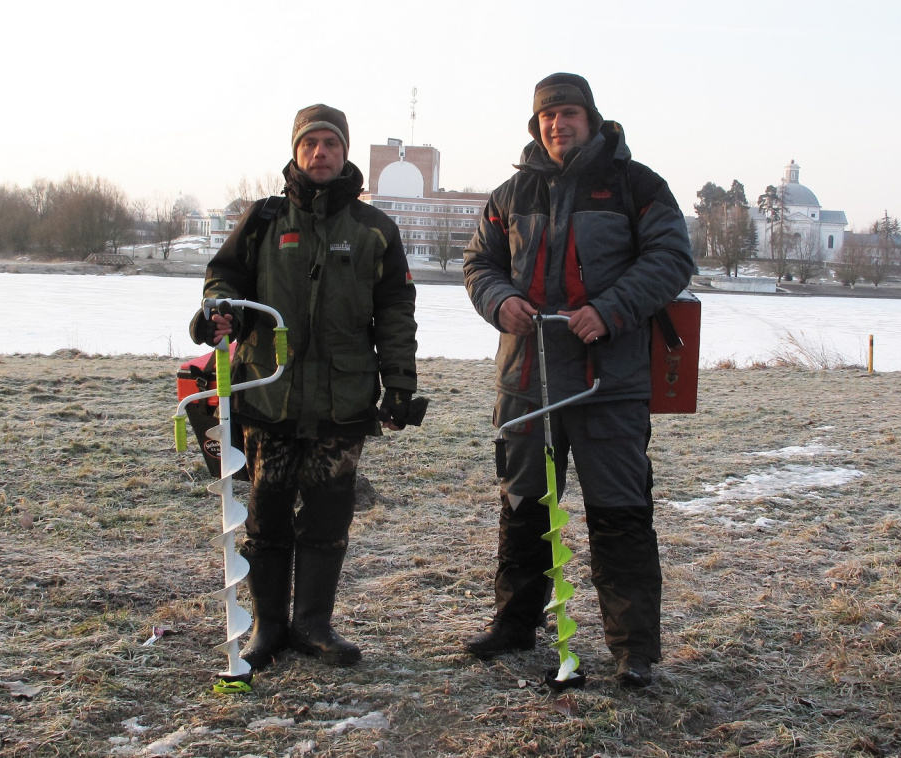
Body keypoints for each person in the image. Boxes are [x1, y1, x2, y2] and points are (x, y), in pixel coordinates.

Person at [462, 73, 695, 687]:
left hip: (607, 384)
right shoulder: (510, 194)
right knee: (523, 510)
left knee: (620, 515)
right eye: (546, 117)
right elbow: (477, 263)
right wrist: (499, 300)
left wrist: (610, 309)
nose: (556, 125)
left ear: (590, 117)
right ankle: (516, 625)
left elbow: (671, 259)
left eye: (567, 113)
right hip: (526, 381)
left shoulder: (637, 185)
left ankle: (634, 651)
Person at [189, 104, 419, 669]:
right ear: (296, 152)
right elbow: (225, 284)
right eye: (311, 144)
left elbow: (395, 313)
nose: (321, 154)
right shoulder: (264, 220)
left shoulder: (374, 230)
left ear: (345, 154)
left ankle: (314, 625)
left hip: (343, 402)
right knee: (266, 518)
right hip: (270, 397)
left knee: (327, 519)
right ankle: (268, 628)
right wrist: (220, 314)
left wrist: (400, 385)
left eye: (332, 145)